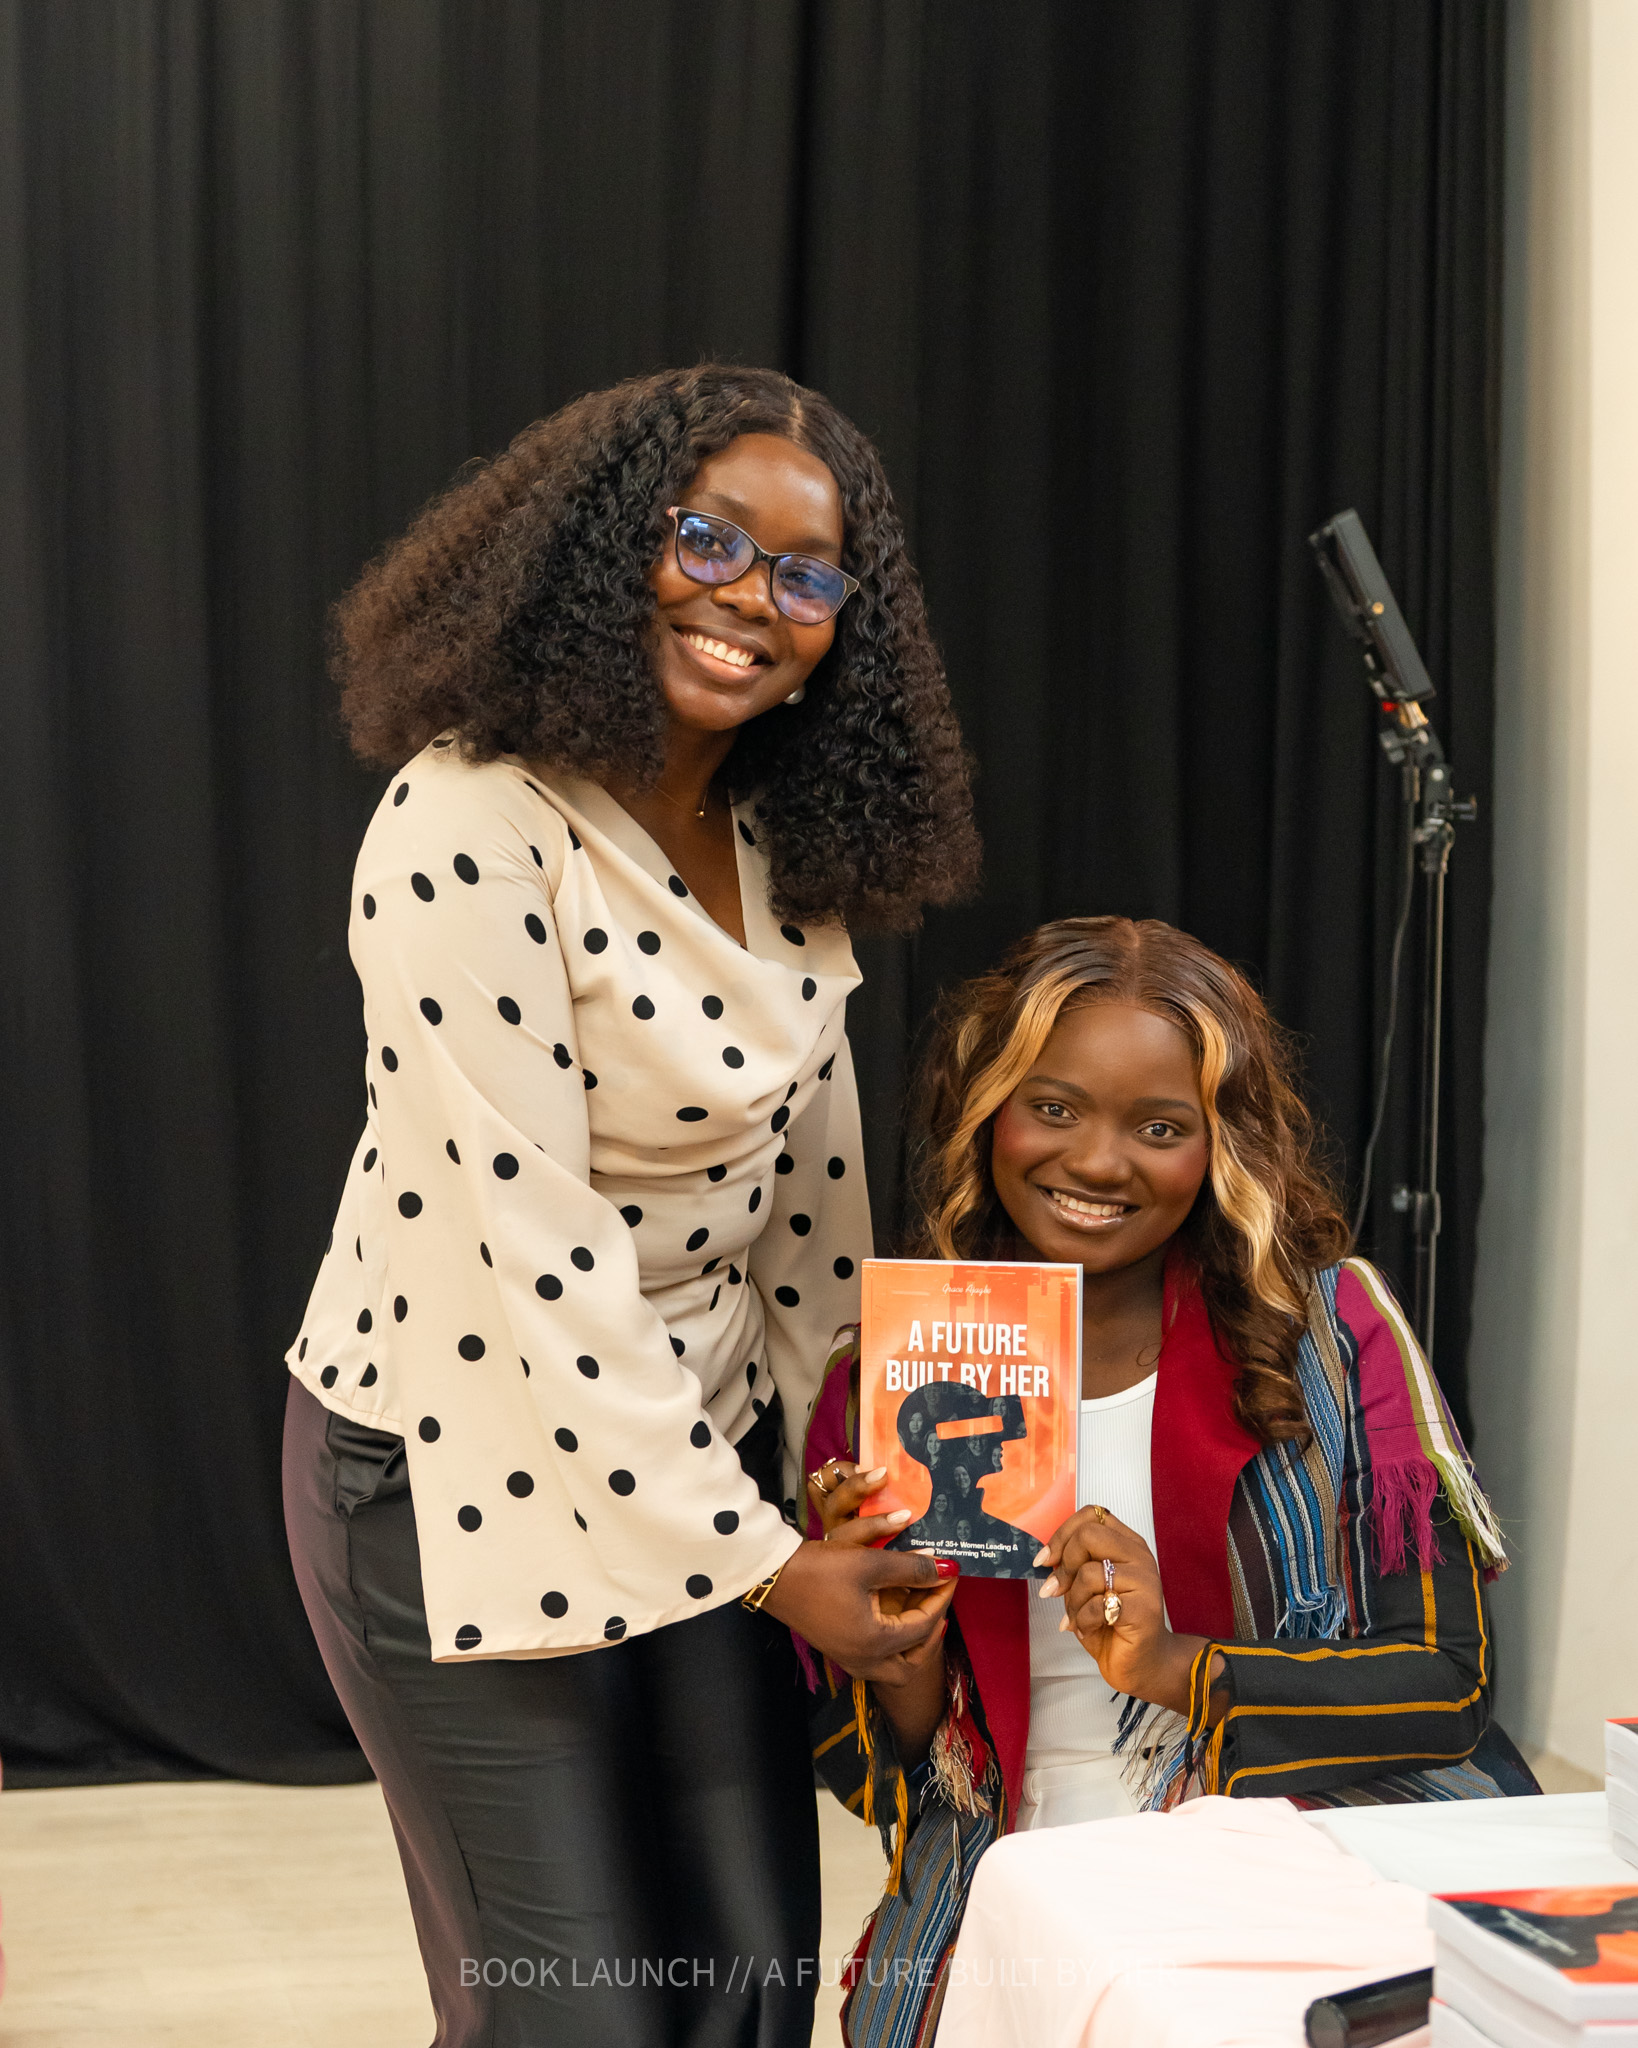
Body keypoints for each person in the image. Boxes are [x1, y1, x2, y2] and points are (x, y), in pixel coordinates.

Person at [281, 364, 977, 2048]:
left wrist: (853, 1474)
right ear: (608, 548)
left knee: (741, 1984)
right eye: (709, 541)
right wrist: (769, 1567)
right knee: (573, 2013)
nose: (753, 602)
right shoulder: (467, 820)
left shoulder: (775, 829)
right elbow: (542, 1261)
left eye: (806, 577)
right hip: (449, 1459)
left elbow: (806, 1212)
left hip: (700, 1443)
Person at [801, 915, 1535, 2046]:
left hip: (1292, 1849)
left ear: (1219, 1145)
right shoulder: (889, 1376)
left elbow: (1444, 1686)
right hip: (1015, 1874)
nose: (1098, 1161)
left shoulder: (1328, 1336)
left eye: (1158, 1126)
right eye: (1053, 1105)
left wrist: (1173, 1665)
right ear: (988, 1107)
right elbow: (880, 1776)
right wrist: (891, 1645)